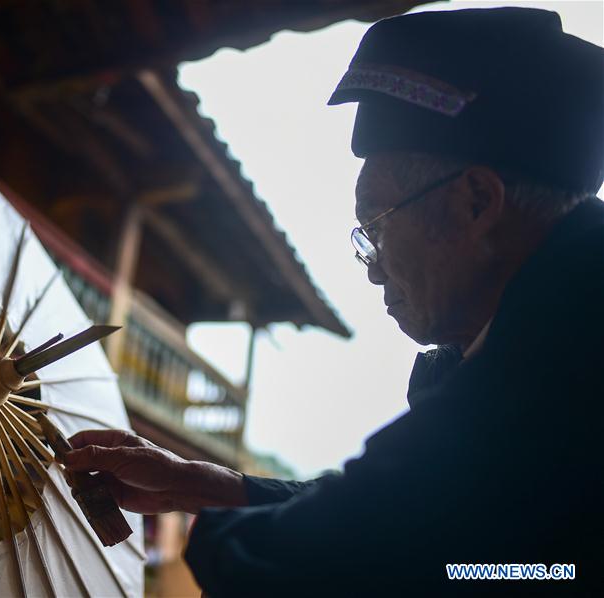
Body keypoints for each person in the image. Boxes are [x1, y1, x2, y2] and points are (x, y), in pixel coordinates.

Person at [63, 7, 604, 596]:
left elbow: (313, 562)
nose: (373, 270)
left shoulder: (560, 354)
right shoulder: (550, 321)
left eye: (377, 224)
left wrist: (218, 540)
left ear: (477, 202)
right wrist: (213, 487)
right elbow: (425, 525)